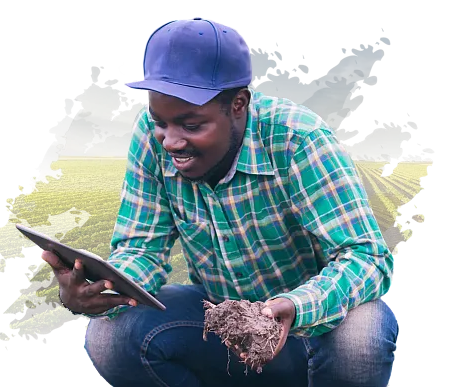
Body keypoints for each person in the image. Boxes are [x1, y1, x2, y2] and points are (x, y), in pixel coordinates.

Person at [41, 17, 398, 387]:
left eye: (192, 125)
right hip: (228, 331)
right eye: (160, 121)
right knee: (109, 334)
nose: (170, 141)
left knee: (361, 335)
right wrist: (107, 289)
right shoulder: (151, 137)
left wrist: (296, 306)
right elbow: (142, 248)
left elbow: (367, 257)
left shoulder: (297, 139)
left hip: (315, 328)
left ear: (238, 103)